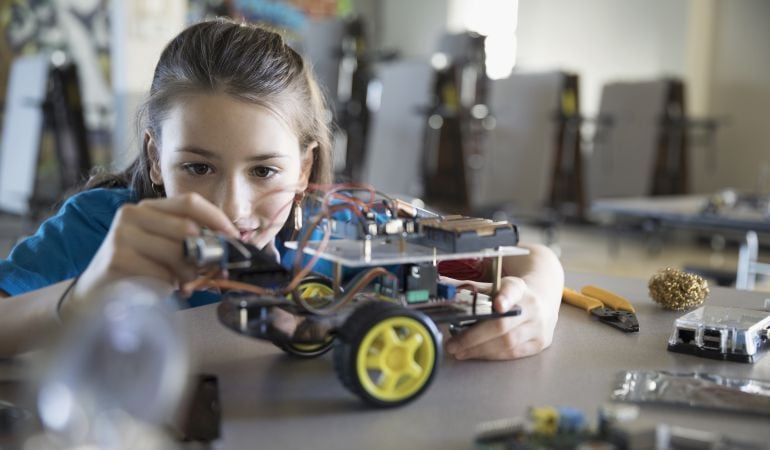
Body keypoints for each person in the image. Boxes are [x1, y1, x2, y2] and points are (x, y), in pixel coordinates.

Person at [0, 18, 564, 359]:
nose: (230, 207)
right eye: (197, 167)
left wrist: (537, 302)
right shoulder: (100, 231)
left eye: (264, 171)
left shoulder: (344, 232)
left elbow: (529, 258)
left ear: (303, 167)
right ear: (154, 155)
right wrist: (80, 297)